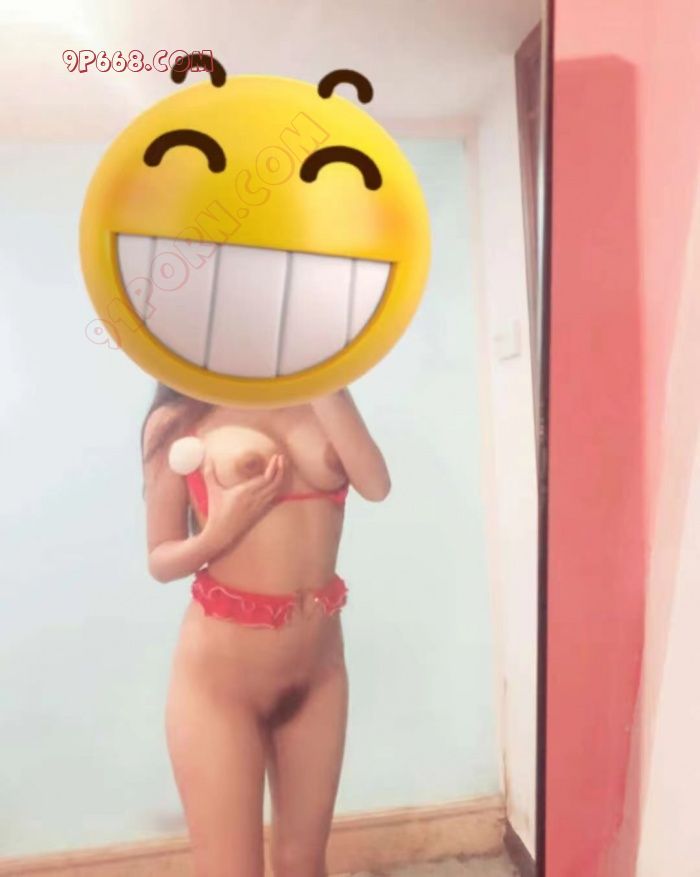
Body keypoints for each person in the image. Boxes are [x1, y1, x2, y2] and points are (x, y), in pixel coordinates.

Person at [141, 382, 390, 877]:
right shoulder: (178, 416)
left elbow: (376, 485)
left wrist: (322, 374)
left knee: (304, 864)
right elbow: (161, 560)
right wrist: (218, 533)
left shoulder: (326, 392)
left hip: (318, 675)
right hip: (220, 689)